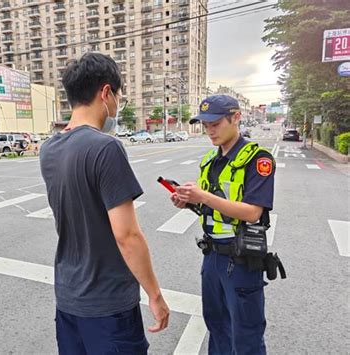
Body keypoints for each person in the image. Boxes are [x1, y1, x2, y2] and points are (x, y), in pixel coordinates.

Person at [39, 52, 169, 354]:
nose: (116, 106)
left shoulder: (49, 149)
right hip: (108, 304)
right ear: (106, 92)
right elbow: (127, 235)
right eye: (118, 97)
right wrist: (154, 294)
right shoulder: (106, 147)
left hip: (69, 297)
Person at [171, 95, 276, 355]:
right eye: (205, 125)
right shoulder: (211, 159)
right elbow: (213, 207)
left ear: (236, 117)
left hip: (240, 260)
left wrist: (203, 196)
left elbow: (252, 212)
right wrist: (189, 202)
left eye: (215, 123)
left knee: (245, 335)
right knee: (217, 327)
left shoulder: (257, 159)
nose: (210, 130)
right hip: (212, 257)